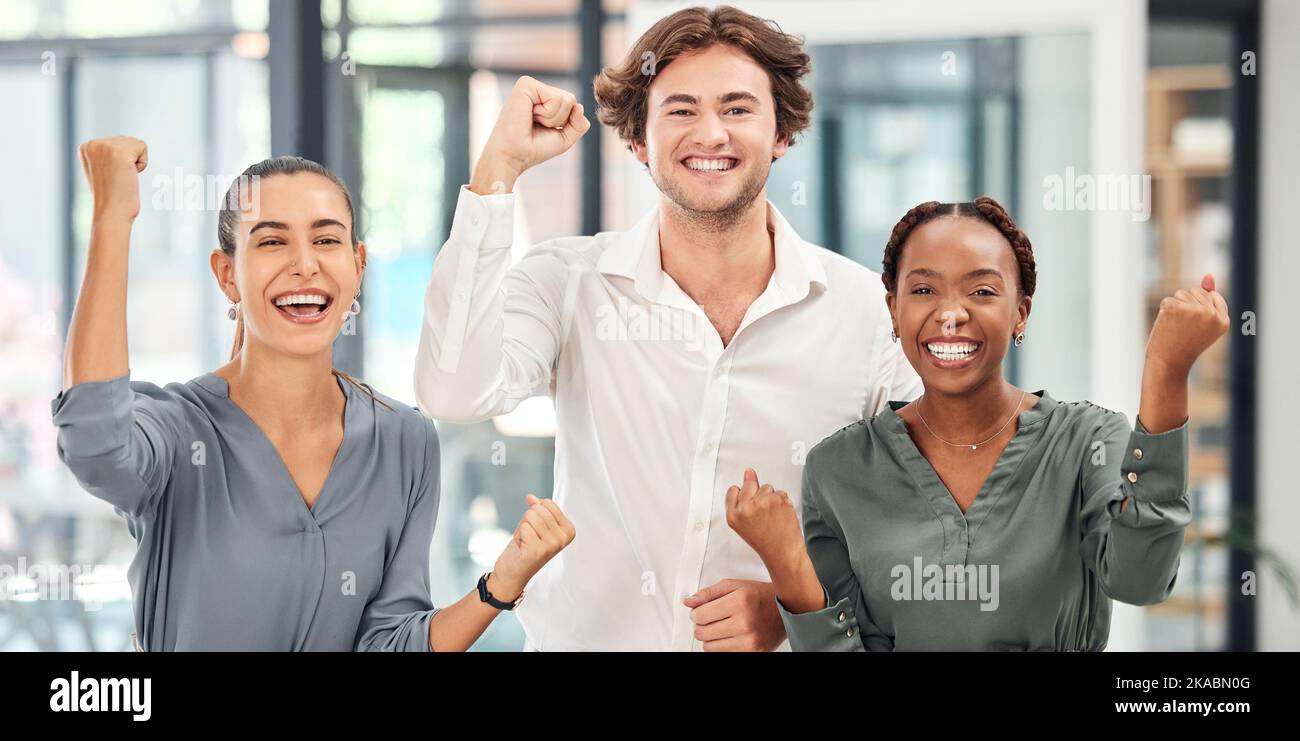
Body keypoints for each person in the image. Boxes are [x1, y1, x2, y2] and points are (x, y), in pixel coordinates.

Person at [414, 6, 920, 651]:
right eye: (680, 110)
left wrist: (797, 602)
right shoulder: (567, 281)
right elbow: (454, 392)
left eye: (738, 109)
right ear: (637, 141)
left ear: (782, 133)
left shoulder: (866, 313)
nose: (710, 133)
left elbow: (916, 530)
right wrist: (496, 175)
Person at [53, 136, 574, 651]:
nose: (305, 264)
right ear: (227, 274)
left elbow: (389, 643)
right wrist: (111, 218)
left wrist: (503, 583)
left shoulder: (403, 438)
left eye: (326, 240)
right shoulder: (177, 431)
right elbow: (93, 442)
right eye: (272, 241)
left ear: (358, 264)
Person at [725, 197, 1229, 651]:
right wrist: (787, 560)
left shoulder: (1087, 442)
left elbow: (1141, 580)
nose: (950, 315)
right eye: (923, 289)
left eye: (982, 291)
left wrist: (1167, 372)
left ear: (1020, 313)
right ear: (894, 311)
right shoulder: (839, 468)